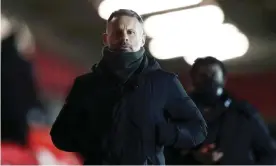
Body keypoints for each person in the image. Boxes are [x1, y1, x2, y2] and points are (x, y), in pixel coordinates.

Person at [50, 9, 207, 165]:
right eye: (118, 32)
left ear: (142, 39)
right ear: (106, 39)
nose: (124, 38)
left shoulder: (165, 83)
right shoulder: (86, 85)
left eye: (131, 32)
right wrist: (93, 139)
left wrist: (164, 132)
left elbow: (198, 129)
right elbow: (60, 134)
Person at [166, 56, 276, 165]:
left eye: (213, 75)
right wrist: (192, 157)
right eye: (203, 76)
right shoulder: (177, 115)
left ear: (224, 79)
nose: (208, 80)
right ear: (193, 79)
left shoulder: (243, 114)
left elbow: (269, 154)